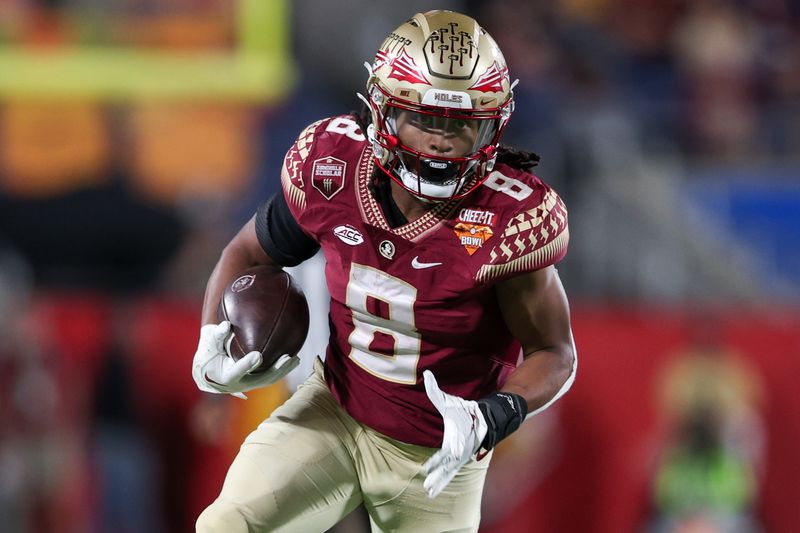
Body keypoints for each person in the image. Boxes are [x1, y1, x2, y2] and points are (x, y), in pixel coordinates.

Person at [192, 10, 577, 533]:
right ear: (383, 113)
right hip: (333, 411)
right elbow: (247, 253)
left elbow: (554, 352)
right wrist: (213, 336)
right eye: (425, 119)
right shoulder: (332, 166)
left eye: (461, 124)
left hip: (438, 455)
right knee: (225, 526)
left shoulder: (510, 219)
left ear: (491, 125)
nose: (442, 141)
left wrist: (494, 413)